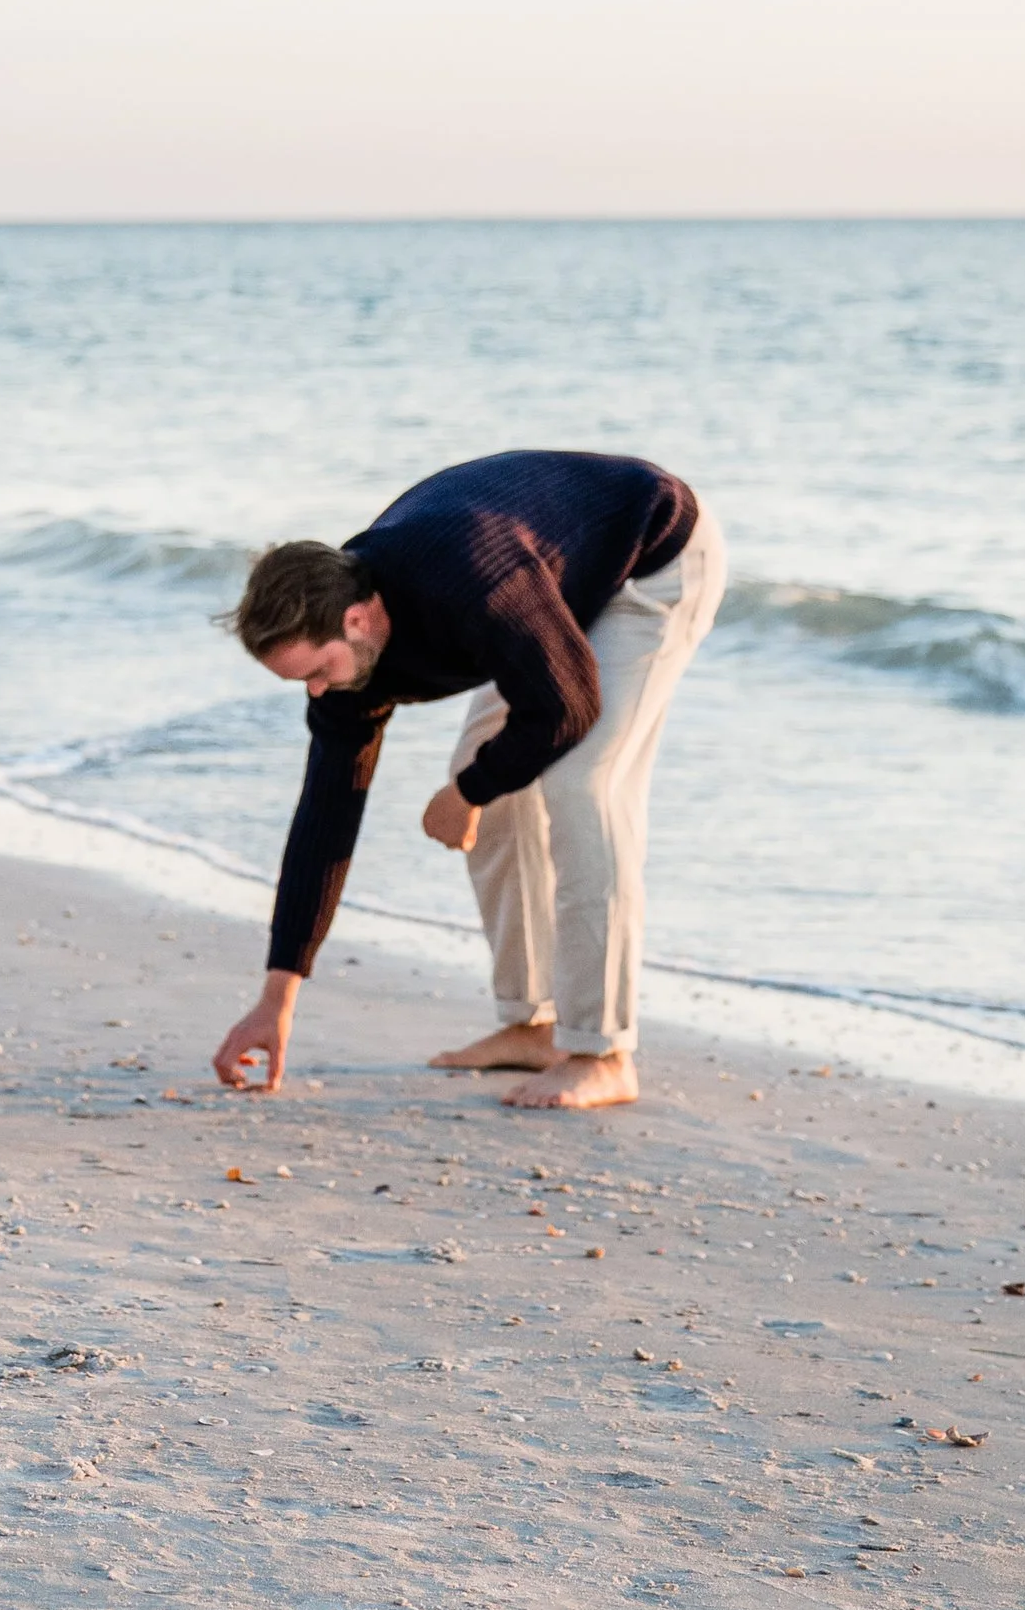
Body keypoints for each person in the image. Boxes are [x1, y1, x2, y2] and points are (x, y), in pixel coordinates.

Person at [210, 450, 723, 1113]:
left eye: (318, 670)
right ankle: (532, 1024)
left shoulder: (470, 581)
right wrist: (275, 1000)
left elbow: (568, 709)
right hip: (550, 586)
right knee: (496, 785)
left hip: (650, 559)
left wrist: (466, 794)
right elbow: (325, 818)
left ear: (357, 619)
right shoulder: (346, 665)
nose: (316, 691)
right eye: (301, 681)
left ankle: (603, 1052)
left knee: (579, 788)